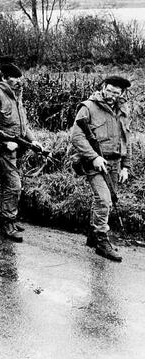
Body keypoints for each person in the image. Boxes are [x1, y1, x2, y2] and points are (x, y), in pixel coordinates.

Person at [70, 75, 131, 262]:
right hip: (93, 162)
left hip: (115, 163)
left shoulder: (123, 109)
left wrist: (126, 166)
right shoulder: (88, 107)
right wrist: (94, 157)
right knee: (104, 200)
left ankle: (92, 234)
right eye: (110, 90)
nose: (112, 95)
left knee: (108, 199)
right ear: (103, 87)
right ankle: (101, 240)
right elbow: (77, 137)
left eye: (117, 92)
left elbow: (126, 139)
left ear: (122, 93)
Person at [0, 61, 43, 242]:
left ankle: (2, 217)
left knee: (6, 182)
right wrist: (5, 142)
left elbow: (24, 125)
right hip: (2, 148)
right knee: (14, 185)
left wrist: (34, 141)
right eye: (14, 78)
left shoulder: (16, 96)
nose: (18, 81)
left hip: (18, 147)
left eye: (20, 78)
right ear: (4, 78)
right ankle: (8, 221)